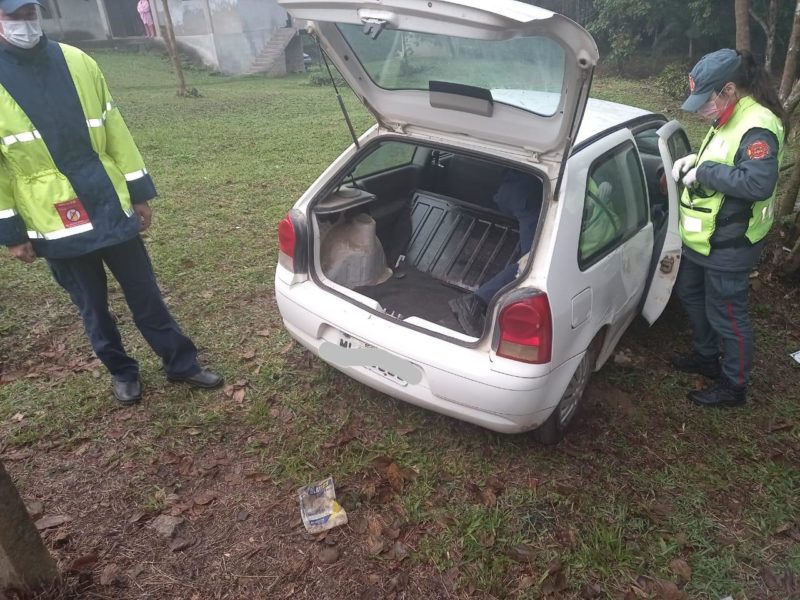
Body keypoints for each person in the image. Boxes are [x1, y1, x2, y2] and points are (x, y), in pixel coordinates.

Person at [0, 0, 223, 405]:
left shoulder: (78, 61)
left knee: (146, 294)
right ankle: (121, 371)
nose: (24, 24)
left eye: (29, 14)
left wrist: (139, 193)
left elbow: (114, 129)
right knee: (93, 308)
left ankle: (181, 363)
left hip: (107, 199)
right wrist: (13, 233)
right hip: (55, 219)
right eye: (13, 16)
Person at [671, 48, 787, 408]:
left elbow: (757, 184)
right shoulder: (729, 116)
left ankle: (734, 385)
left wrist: (704, 172)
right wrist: (698, 161)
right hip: (703, 238)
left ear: (729, 90)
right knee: (690, 293)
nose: (704, 108)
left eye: (707, 100)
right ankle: (706, 356)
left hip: (730, 241)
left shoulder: (758, 125)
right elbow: (725, 158)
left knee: (728, 313)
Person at [449, 169, 542, 336]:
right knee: (531, 261)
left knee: (529, 248)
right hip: (526, 197)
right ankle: (474, 302)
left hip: (507, 191)